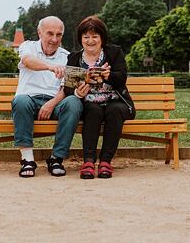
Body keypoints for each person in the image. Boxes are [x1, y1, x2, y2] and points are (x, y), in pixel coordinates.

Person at [64, 16, 135, 179]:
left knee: (114, 110)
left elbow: (122, 78)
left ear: (102, 38)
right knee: (93, 110)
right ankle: (88, 161)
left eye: (95, 36)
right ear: (80, 39)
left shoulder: (114, 53)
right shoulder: (74, 58)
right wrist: (78, 93)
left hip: (116, 100)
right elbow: (68, 88)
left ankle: (105, 161)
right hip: (88, 103)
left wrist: (109, 76)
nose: (90, 41)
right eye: (86, 37)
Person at [12, 16, 82, 178]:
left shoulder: (69, 57)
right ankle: (27, 160)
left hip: (55, 103)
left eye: (59, 35)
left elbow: (68, 87)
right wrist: (50, 67)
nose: (54, 39)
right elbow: (28, 61)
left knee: (74, 102)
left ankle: (56, 158)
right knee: (20, 100)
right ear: (39, 33)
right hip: (28, 101)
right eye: (50, 33)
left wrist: (52, 103)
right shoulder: (27, 46)